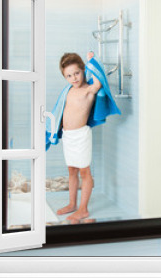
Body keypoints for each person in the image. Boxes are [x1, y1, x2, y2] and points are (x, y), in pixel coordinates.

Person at [56, 51, 102, 221]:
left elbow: (98, 82)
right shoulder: (69, 90)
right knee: (72, 170)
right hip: (68, 136)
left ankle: (83, 209)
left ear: (83, 70)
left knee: (84, 172)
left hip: (81, 136)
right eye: (69, 75)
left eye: (76, 73)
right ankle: (72, 204)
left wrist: (92, 61)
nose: (74, 78)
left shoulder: (89, 89)